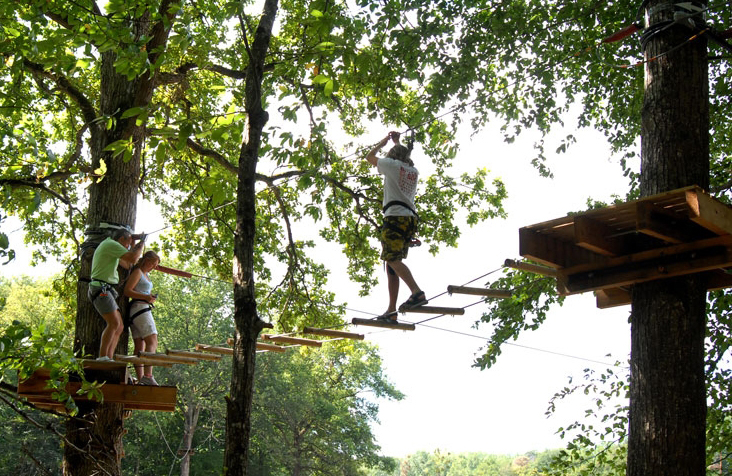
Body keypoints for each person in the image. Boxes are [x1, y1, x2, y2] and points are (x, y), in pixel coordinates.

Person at [365, 130, 428, 321]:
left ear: (392, 157)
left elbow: (369, 157)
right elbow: (403, 156)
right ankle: (391, 311)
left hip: (394, 217)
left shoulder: (391, 165)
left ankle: (417, 293)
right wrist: (397, 142)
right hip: (410, 219)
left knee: (391, 259)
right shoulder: (413, 171)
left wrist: (383, 141)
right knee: (392, 264)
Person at [88, 228, 144, 362]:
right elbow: (133, 258)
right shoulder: (110, 245)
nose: (128, 246)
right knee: (113, 323)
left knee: (119, 326)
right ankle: (102, 356)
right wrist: (141, 244)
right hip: (100, 289)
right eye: (127, 243)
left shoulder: (110, 247)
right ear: (121, 239)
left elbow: (128, 263)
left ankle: (109, 357)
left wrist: (134, 244)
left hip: (105, 289)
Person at [124, 251, 160, 386]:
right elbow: (127, 290)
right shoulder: (138, 272)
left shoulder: (146, 275)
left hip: (140, 308)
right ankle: (148, 375)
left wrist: (149, 297)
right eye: (153, 264)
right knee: (153, 340)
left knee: (140, 345)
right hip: (139, 309)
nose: (153, 267)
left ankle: (141, 380)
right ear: (146, 260)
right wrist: (145, 297)